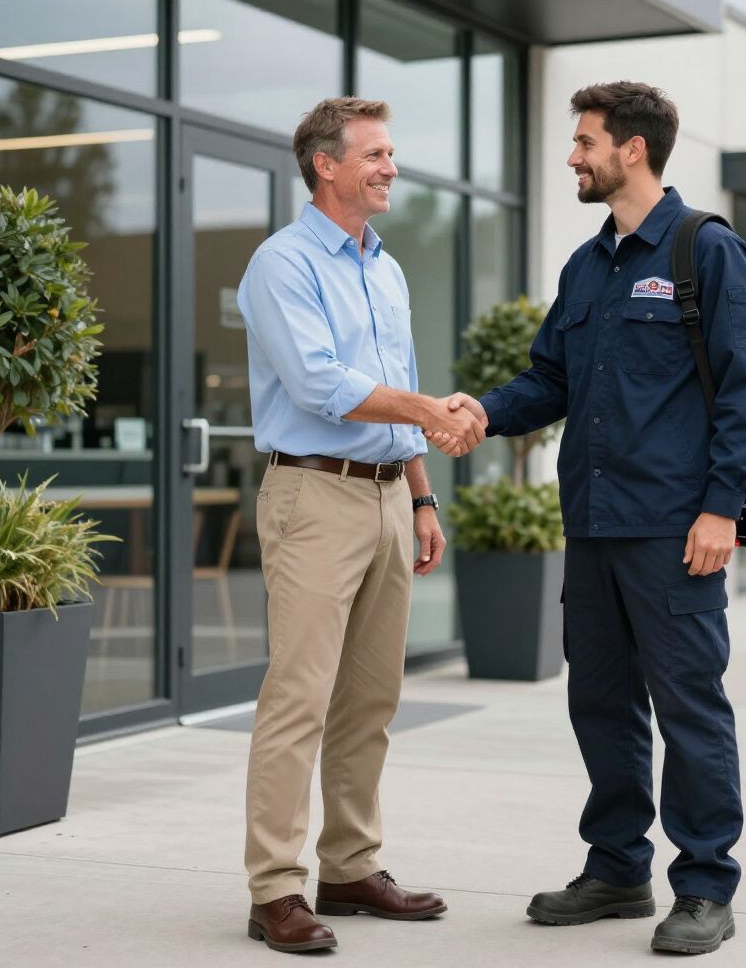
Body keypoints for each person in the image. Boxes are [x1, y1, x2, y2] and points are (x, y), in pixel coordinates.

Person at [437, 81, 746, 955]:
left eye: (585, 141)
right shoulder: (587, 266)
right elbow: (550, 379)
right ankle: (618, 865)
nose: (573, 156)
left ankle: (703, 885)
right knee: (601, 702)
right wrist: (482, 411)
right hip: (590, 524)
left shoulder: (707, 251)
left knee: (689, 706)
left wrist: (719, 511)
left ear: (632, 148)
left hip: (674, 530)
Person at [237, 96, 485, 955]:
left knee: (371, 700)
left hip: (384, 495)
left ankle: (347, 866)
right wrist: (430, 410)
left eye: (390, 154)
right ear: (325, 166)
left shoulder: (386, 267)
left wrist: (421, 494)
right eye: (375, 155)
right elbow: (320, 385)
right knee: (297, 699)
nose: (389, 168)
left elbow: (396, 383)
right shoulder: (282, 264)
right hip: (313, 496)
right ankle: (275, 888)